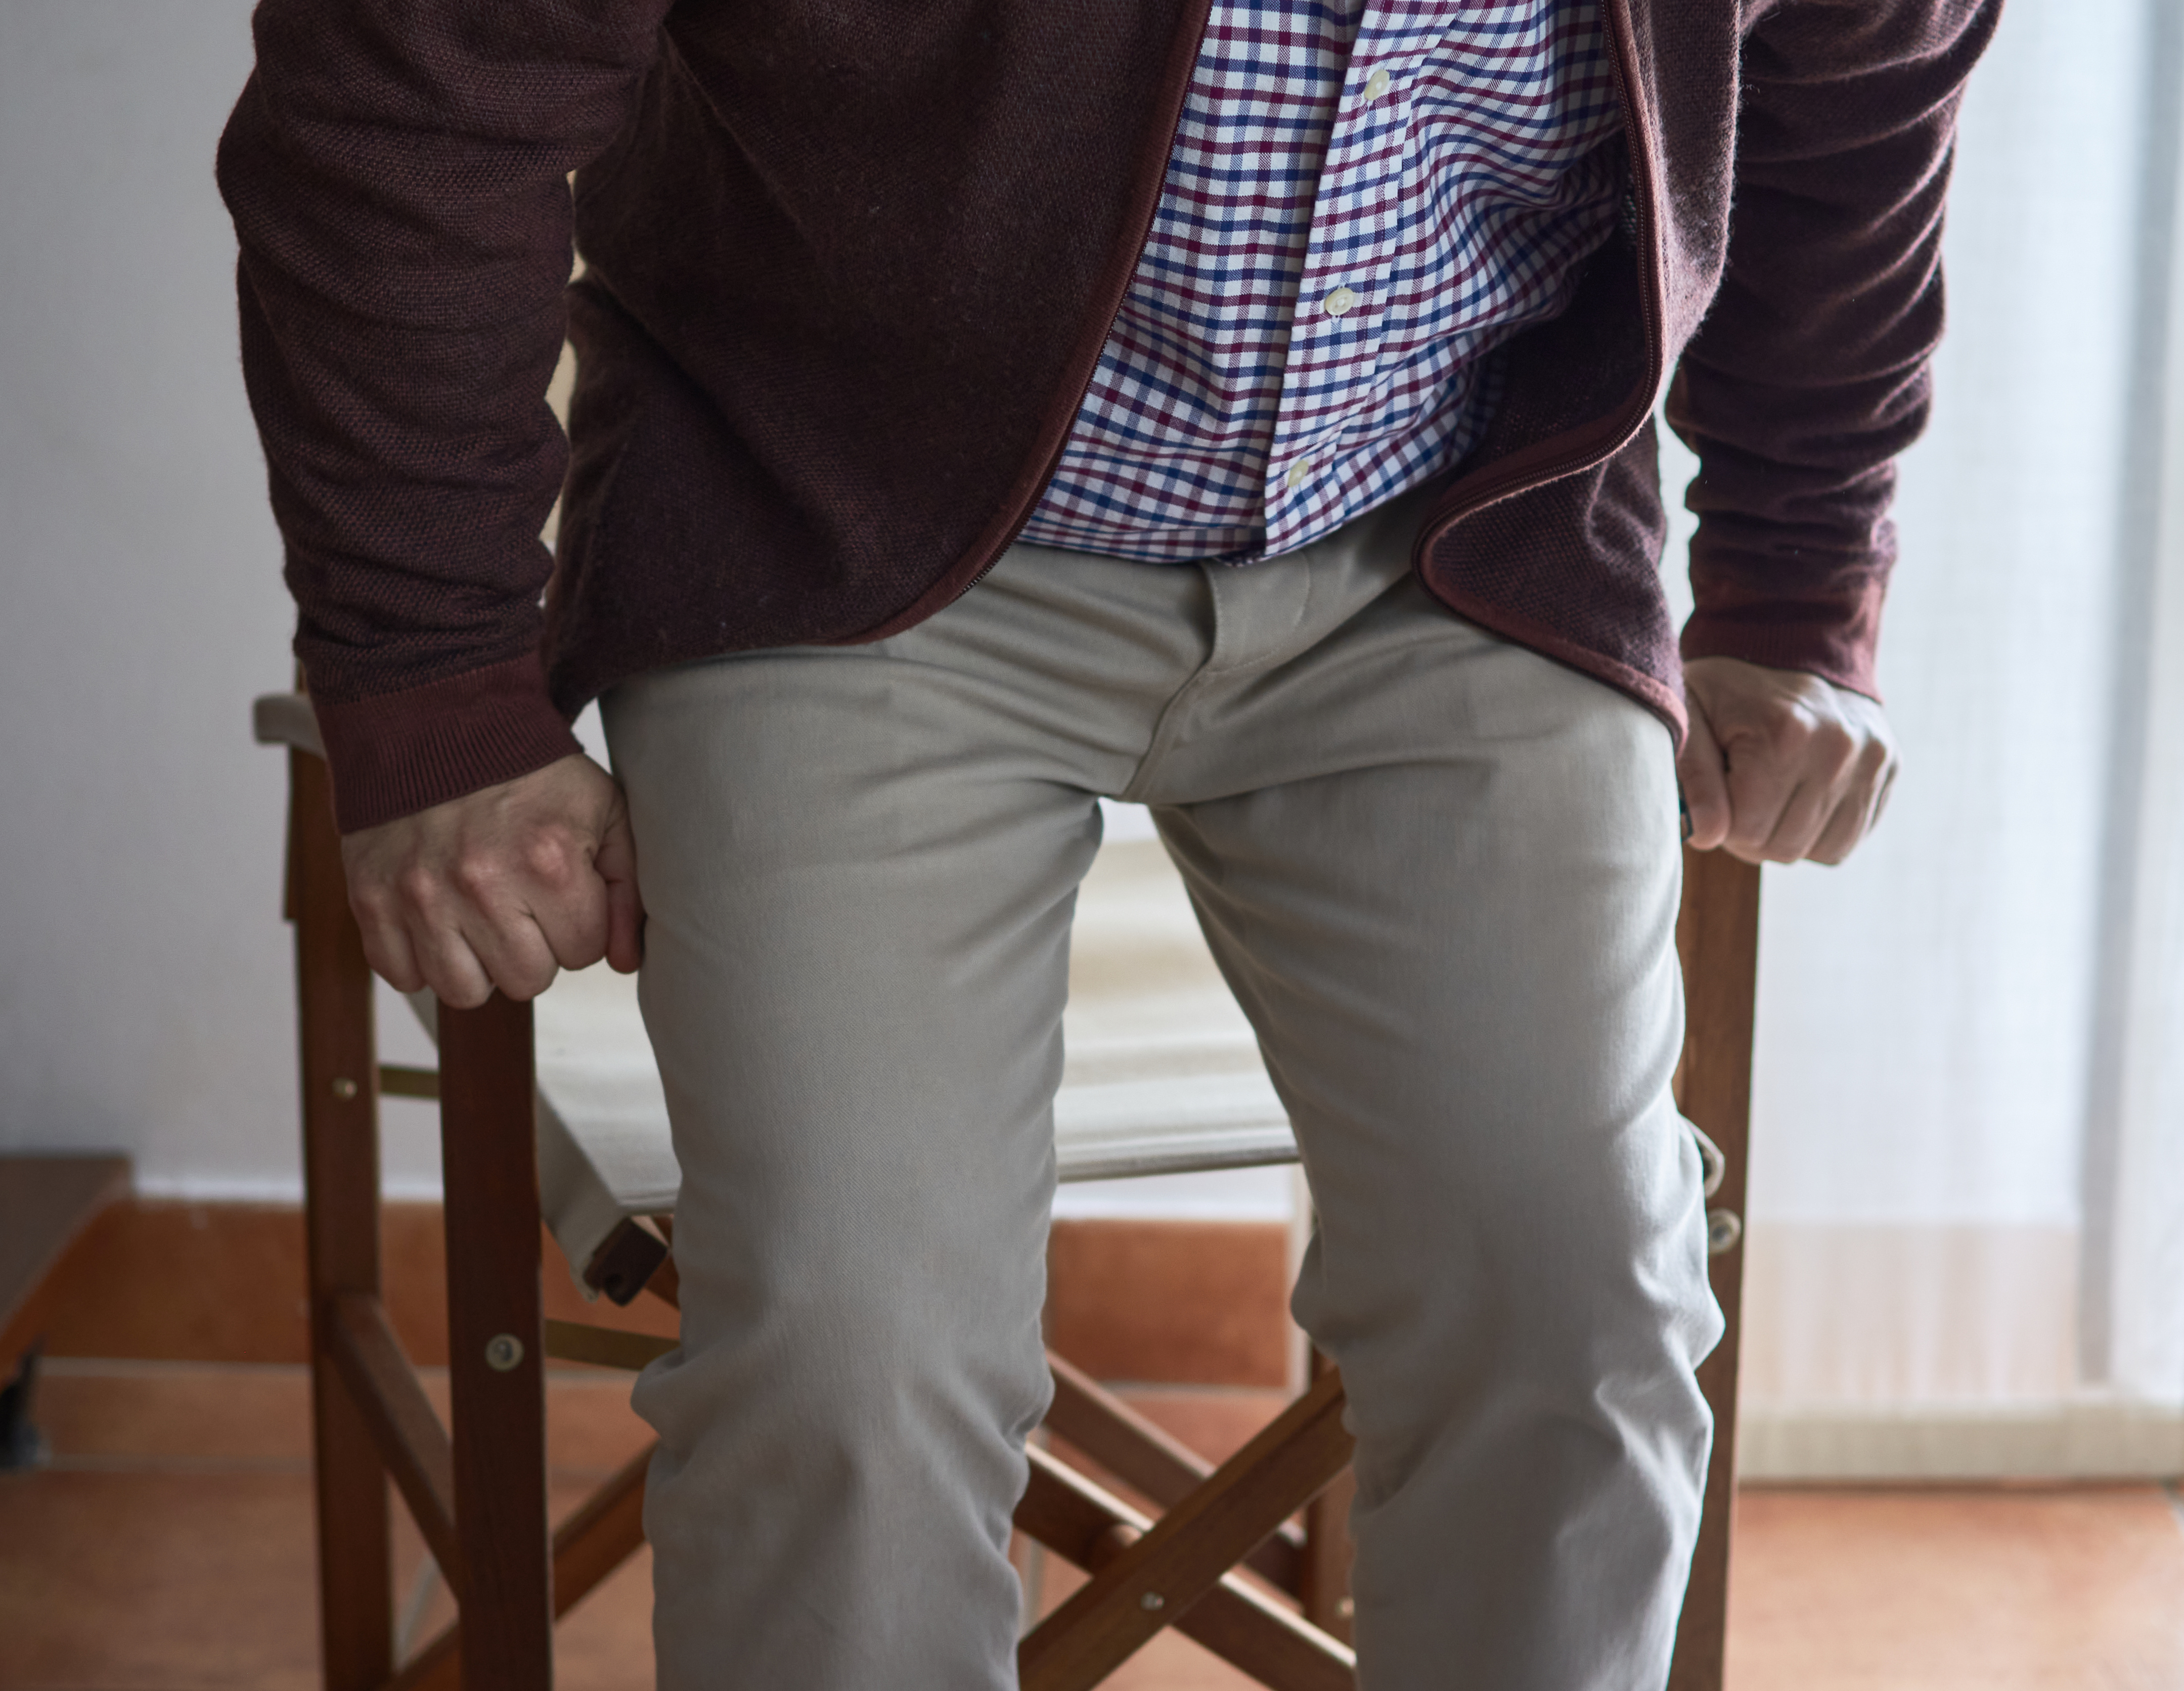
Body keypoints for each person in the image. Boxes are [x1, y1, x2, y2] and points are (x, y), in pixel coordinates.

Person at [220, 1, 1995, 1684]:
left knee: (1577, 1316)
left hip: (1459, 521)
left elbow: (1862, 72)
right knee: (853, 1359)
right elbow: (418, 86)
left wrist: (1798, 566)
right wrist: (429, 668)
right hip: (833, 516)